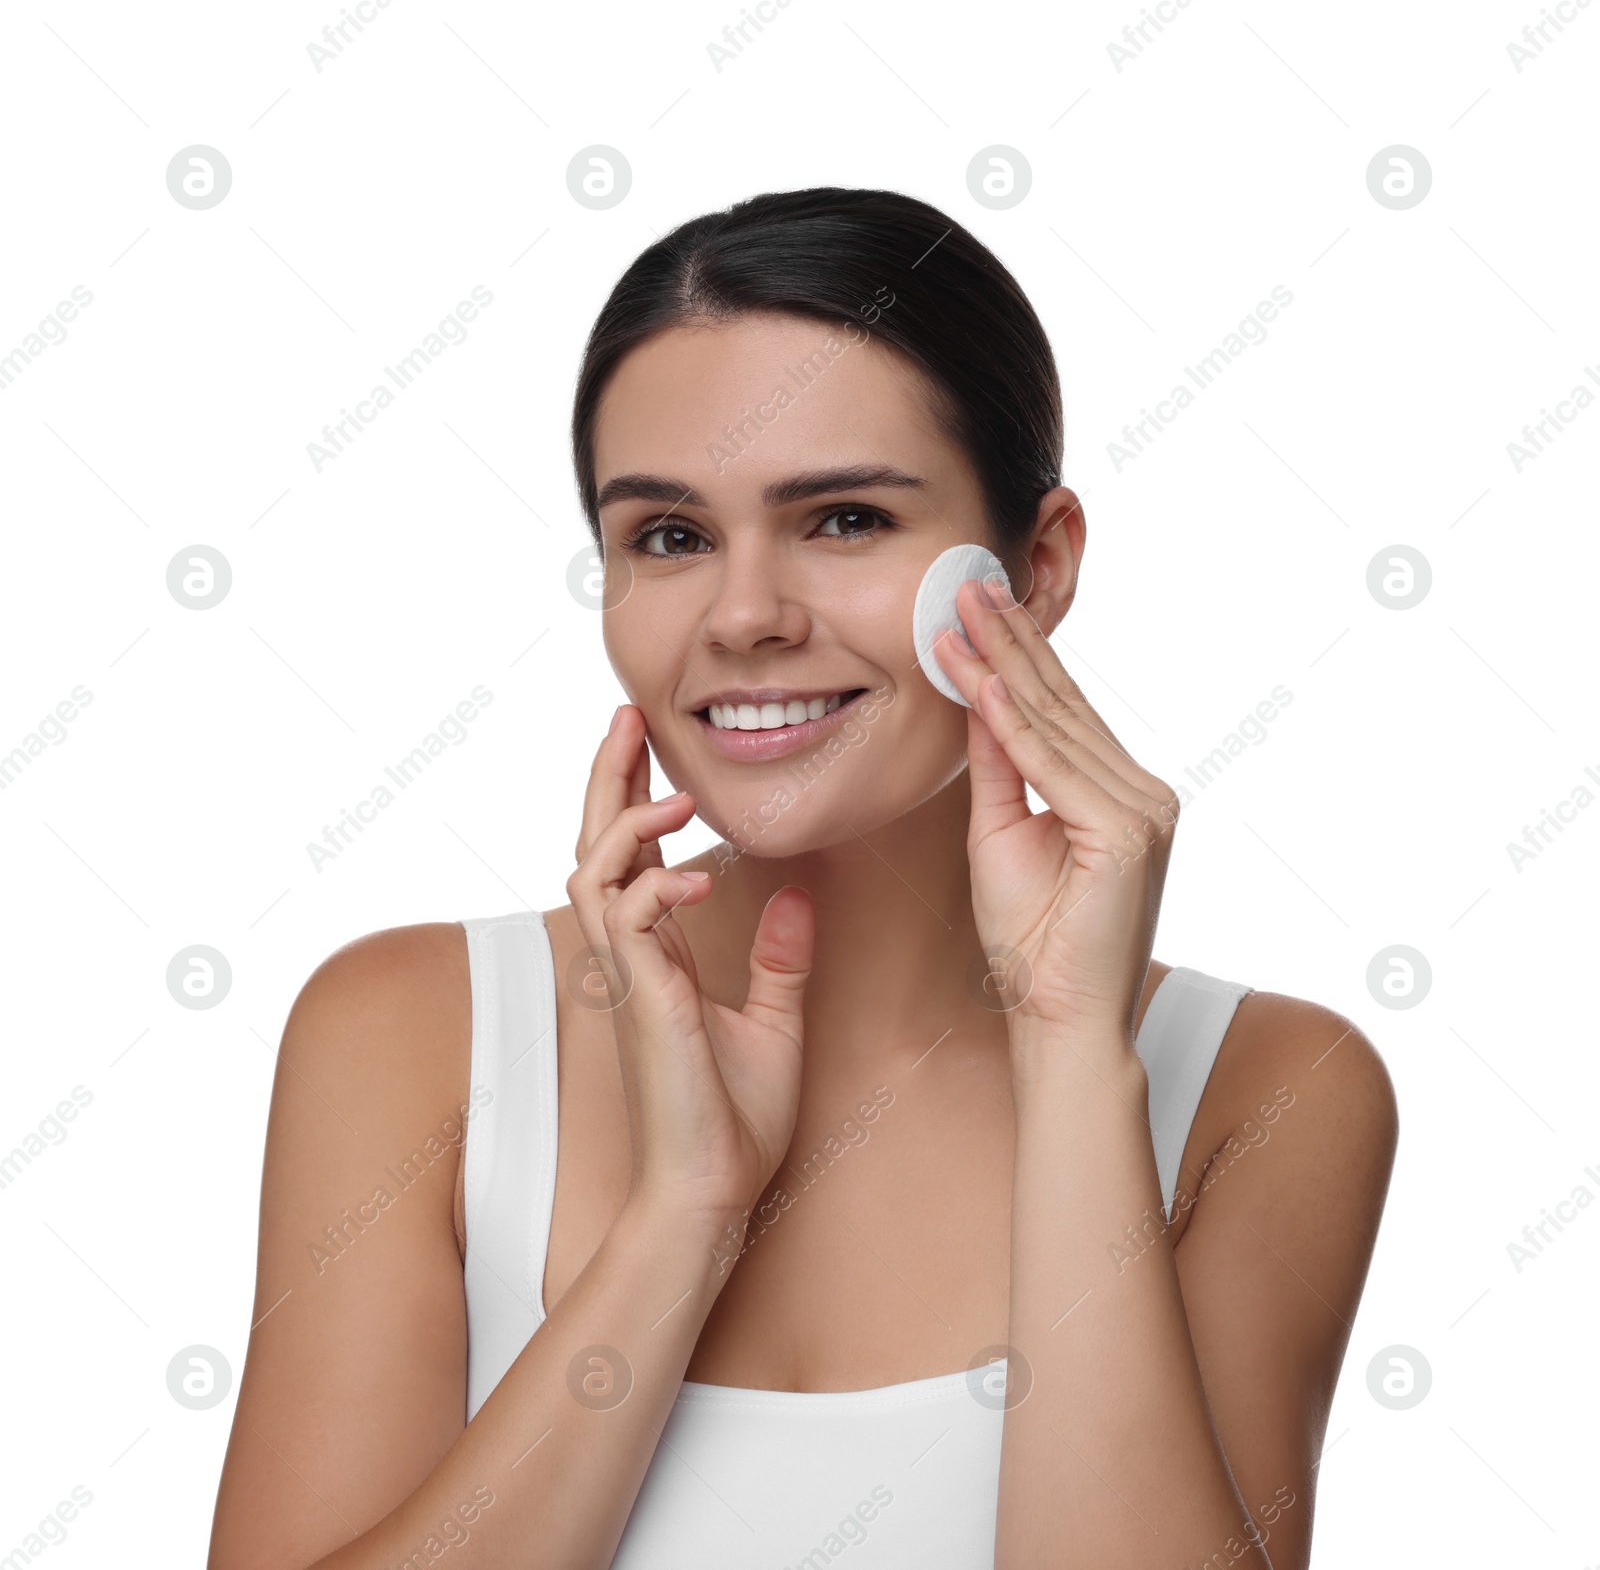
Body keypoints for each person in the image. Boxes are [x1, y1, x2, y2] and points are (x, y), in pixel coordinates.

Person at [208, 186, 1398, 1569]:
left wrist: (1073, 1055)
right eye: (669, 536)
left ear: (1041, 562)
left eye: (841, 520)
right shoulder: (411, 1032)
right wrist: (683, 1220)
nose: (745, 616)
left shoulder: (1270, 1093)